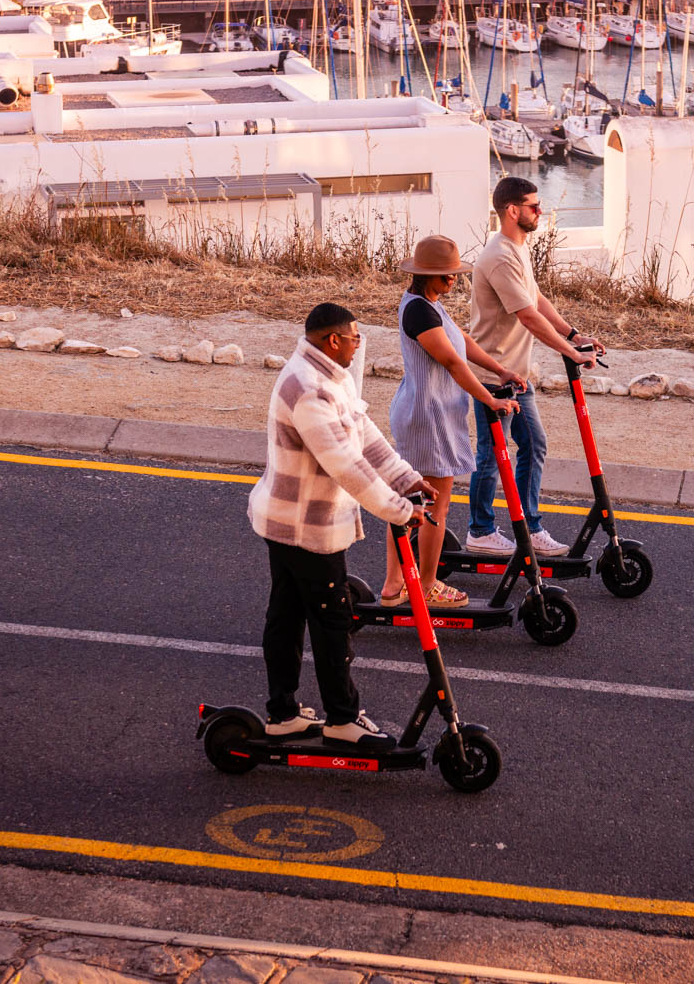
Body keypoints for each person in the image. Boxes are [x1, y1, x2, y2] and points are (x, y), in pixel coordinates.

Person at [248, 302, 446, 746]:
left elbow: (365, 434)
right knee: (331, 621)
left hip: (292, 520)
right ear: (332, 340)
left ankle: (283, 714)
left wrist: (407, 478)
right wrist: (398, 508)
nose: (359, 345)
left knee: (287, 615)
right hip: (305, 527)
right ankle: (342, 720)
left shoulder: (326, 376)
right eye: (355, 338)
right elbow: (346, 465)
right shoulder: (308, 389)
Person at [382, 235, 524, 607]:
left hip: (428, 413)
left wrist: (500, 370)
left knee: (411, 501)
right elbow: (452, 361)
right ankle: (425, 585)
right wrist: (490, 398)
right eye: (447, 276)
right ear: (427, 275)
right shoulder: (419, 312)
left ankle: (395, 585)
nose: (453, 281)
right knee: (433, 506)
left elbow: (464, 343)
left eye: (455, 275)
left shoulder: (430, 305)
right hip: (428, 418)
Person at [466, 177, 599, 557]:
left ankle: (530, 526)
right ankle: (480, 530)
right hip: (494, 377)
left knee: (533, 444)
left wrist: (573, 335)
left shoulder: (517, 249)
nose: (540, 212)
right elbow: (526, 316)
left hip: (517, 375)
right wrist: (572, 355)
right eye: (534, 206)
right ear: (513, 211)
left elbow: (536, 299)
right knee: (491, 456)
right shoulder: (499, 257)